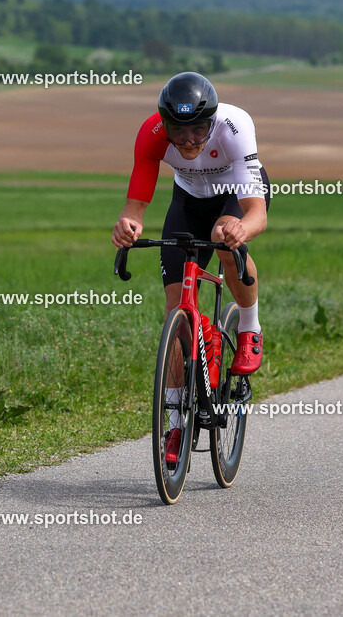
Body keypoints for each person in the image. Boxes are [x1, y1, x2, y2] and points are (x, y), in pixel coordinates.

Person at [111, 72, 270, 461]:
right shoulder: (151, 133)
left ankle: (249, 327)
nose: (189, 141)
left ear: (212, 121)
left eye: (199, 130)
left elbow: (257, 213)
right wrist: (129, 227)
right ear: (164, 124)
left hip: (234, 196)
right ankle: (175, 424)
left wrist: (239, 230)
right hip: (186, 201)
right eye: (178, 132)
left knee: (222, 235)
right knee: (175, 312)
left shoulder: (234, 127)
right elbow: (135, 209)